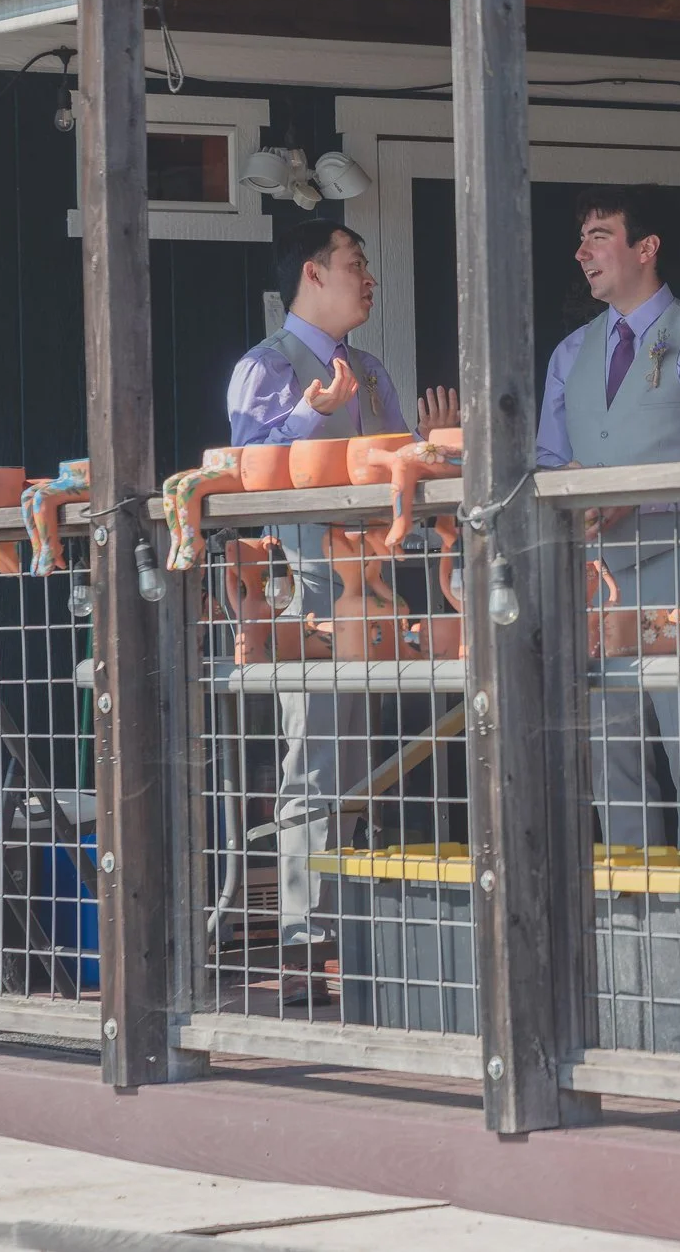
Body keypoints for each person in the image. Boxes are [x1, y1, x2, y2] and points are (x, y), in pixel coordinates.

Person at [224, 219, 457, 984]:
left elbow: (395, 468)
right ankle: (302, 940)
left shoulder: (375, 370)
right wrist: (312, 410)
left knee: (356, 765)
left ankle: (348, 933)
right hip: (307, 589)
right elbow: (250, 468)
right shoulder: (264, 366)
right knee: (313, 759)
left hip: (374, 591)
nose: (369, 276)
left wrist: (426, 441)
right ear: (313, 275)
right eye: (355, 262)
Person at [537, 185, 680, 852]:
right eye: (581, 239)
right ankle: (640, 914)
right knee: (611, 753)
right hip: (595, 583)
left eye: (599, 234)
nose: (581, 252)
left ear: (646, 246)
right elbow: (548, 462)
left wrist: (639, 497)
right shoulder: (569, 355)